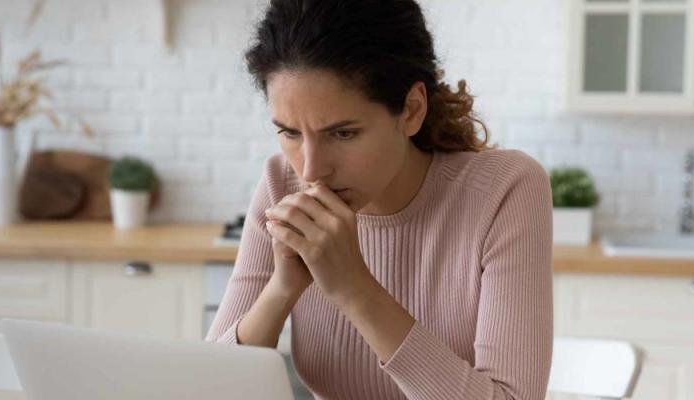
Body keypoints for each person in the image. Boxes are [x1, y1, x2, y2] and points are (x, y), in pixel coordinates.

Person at [205, 1, 553, 399]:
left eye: (343, 133)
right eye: (290, 133)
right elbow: (208, 389)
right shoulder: (280, 185)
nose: (311, 171)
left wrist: (354, 287)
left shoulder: (503, 191)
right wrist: (282, 289)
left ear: (411, 109)